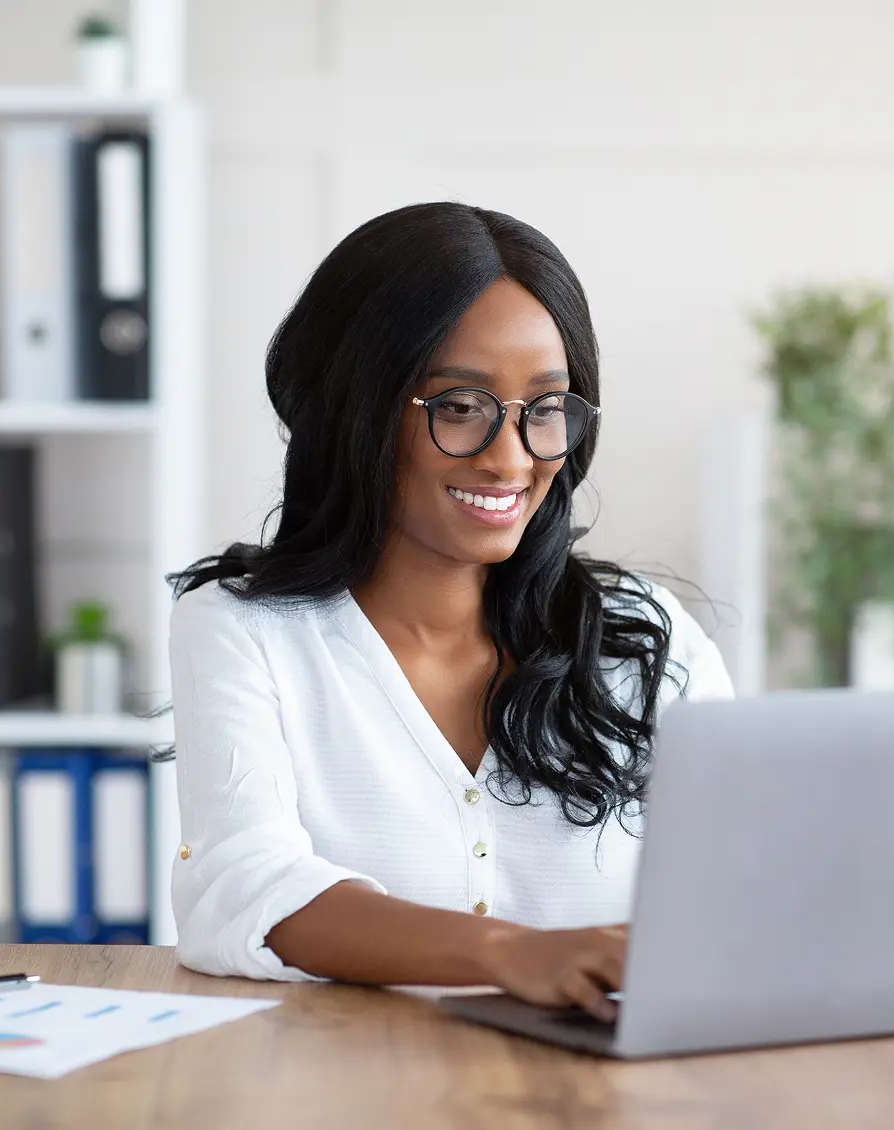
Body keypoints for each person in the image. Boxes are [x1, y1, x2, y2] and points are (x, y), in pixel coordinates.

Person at [164, 202, 733, 1021]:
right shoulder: (245, 632)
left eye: (545, 409)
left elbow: (750, 885)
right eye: (461, 405)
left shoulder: (646, 637)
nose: (511, 458)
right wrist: (511, 953)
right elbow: (242, 889)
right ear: (355, 408)